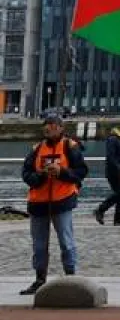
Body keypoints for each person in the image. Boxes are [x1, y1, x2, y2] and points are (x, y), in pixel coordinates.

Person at [20, 112, 89, 295]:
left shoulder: (70, 147)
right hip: (38, 203)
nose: (48, 128)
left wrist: (62, 172)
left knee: (66, 242)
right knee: (39, 245)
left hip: (62, 201)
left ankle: (71, 277)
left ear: (60, 128)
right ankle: (40, 279)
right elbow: (26, 174)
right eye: (46, 125)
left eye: (52, 125)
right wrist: (41, 176)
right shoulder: (36, 149)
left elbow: (81, 172)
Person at [95, 120, 120, 226]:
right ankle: (100, 210)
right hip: (114, 172)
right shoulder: (113, 139)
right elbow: (111, 157)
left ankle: (119, 219)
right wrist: (119, 170)